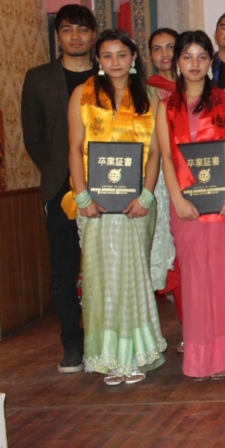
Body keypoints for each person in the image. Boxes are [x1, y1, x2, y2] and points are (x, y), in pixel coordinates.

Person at [155, 30, 225, 380]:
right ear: (177, 62)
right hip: (187, 207)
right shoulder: (165, 106)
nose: (195, 63)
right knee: (197, 283)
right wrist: (176, 199)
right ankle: (202, 359)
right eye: (187, 56)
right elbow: (167, 158)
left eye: (202, 56)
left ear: (210, 61)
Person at [66, 29, 166, 385]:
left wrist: (147, 195)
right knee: (101, 279)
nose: (115, 62)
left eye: (121, 54)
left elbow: (155, 152)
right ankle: (109, 356)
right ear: (98, 60)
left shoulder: (151, 97)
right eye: (107, 56)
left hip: (135, 204)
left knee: (133, 276)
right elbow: (75, 147)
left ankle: (136, 353)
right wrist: (82, 197)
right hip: (96, 205)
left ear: (134, 57)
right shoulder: (83, 94)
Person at [21, 4, 95, 372]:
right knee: (64, 271)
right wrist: (57, 171)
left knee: (105, 269)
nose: (75, 36)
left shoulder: (108, 73)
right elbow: (33, 137)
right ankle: (72, 343)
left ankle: (105, 340)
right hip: (59, 188)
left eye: (82, 29)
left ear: (93, 35)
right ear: (58, 36)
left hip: (107, 187)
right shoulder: (38, 78)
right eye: (67, 29)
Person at [145, 29, 182, 328]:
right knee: (170, 255)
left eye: (170, 46)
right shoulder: (144, 92)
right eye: (157, 49)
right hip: (160, 177)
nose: (165, 54)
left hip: (194, 174)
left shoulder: (195, 84)